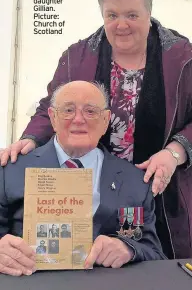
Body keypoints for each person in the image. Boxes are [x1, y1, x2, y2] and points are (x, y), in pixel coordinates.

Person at [1, 0, 192, 258]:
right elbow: (51, 106)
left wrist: (175, 152)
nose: (121, 24)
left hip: (151, 186)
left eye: (132, 15)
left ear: (149, 13)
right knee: (79, 246)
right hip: (90, 177)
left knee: (145, 251)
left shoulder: (183, 57)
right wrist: (31, 138)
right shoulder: (78, 56)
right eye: (112, 15)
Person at [0, 81, 165, 276]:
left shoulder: (135, 182)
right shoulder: (10, 169)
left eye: (90, 111)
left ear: (105, 120)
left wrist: (129, 249)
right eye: (68, 110)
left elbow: (152, 251)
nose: (78, 119)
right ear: (52, 117)